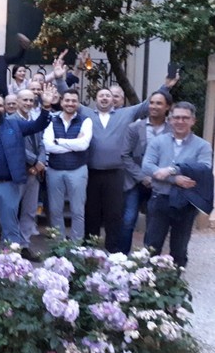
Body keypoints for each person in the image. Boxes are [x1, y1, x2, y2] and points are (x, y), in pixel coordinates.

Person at [54, 65, 178, 252]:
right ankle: (89, 250)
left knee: (114, 214)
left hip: (116, 174)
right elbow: (68, 98)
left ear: (113, 100)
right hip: (91, 172)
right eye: (101, 96)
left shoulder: (126, 113)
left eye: (108, 96)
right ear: (96, 99)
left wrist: (166, 86)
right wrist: (59, 79)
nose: (104, 98)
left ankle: (113, 252)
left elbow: (147, 104)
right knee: (91, 213)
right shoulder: (86, 113)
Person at [0, 87, 56, 259]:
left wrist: (46, 106)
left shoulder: (15, 125)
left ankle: (10, 263)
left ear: (5, 108)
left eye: (0, 105)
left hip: (9, 185)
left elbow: (38, 125)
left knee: (10, 227)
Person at [142, 102, 213, 267]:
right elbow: (147, 166)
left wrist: (172, 170)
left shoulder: (203, 146)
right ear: (170, 120)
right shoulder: (158, 142)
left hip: (186, 202)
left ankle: (175, 279)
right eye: (177, 117)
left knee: (179, 248)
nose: (180, 121)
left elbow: (203, 169)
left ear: (193, 121)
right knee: (151, 245)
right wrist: (174, 180)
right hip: (160, 199)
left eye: (185, 118)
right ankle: (147, 279)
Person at [120, 91, 172, 254]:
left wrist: (159, 176)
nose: (154, 106)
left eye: (159, 103)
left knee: (154, 223)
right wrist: (142, 177)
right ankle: (122, 259)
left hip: (160, 183)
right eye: (152, 102)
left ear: (167, 107)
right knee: (128, 220)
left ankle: (149, 259)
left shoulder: (172, 130)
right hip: (135, 181)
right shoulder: (134, 128)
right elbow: (125, 155)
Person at [42, 89, 92, 242]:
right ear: (62, 102)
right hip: (54, 170)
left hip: (78, 170)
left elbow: (83, 145)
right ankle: (59, 244)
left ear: (78, 103)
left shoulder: (86, 121)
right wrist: (73, 144)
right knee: (55, 210)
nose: (70, 103)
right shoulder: (51, 119)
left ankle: (76, 245)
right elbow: (48, 146)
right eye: (67, 100)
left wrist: (59, 141)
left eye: (74, 101)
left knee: (78, 211)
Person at [10, 89, 47, 251]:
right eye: (25, 100)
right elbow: (14, 146)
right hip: (18, 172)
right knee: (12, 210)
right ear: (17, 101)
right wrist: (34, 162)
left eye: (31, 100)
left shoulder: (36, 120)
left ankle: (24, 245)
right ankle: (11, 246)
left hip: (35, 173)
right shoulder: (9, 121)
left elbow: (42, 143)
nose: (28, 103)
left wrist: (41, 162)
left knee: (30, 211)